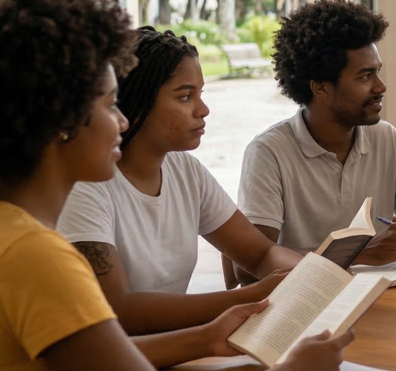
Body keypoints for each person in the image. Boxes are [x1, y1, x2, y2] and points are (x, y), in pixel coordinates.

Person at [0, 0, 349, 371]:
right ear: (61, 120)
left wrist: (207, 335)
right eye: (110, 105)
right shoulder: (35, 256)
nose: (121, 123)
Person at [57, 28, 303, 336]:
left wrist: (312, 274)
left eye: (201, 95)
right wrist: (249, 296)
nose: (203, 110)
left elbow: (260, 254)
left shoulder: (186, 171)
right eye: (185, 97)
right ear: (134, 103)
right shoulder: (87, 186)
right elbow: (117, 310)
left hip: (172, 350)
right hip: (125, 360)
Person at [237, 0, 396, 281]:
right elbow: (250, 271)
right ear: (320, 86)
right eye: (365, 76)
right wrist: (359, 253)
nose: (381, 86)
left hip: (377, 300)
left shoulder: (385, 138)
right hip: (304, 308)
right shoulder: (268, 152)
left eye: (377, 71)